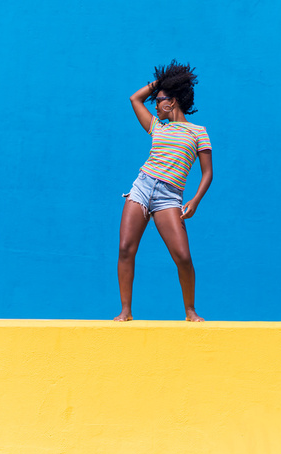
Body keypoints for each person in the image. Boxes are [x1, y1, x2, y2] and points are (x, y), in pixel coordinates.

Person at [114, 60, 213, 322]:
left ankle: (190, 311)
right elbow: (135, 98)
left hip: (170, 197)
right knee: (125, 248)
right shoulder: (157, 127)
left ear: (172, 102)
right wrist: (163, 82)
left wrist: (196, 200)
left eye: (159, 100)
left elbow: (207, 173)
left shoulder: (198, 132)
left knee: (182, 256)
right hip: (142, 187)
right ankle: (126, 311)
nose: (155, 105)